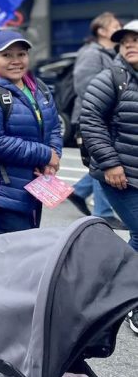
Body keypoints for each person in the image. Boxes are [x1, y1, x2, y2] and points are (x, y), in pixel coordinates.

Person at [0, 30, 63, 234]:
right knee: (15, 253)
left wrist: (52, 160)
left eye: (21, 54)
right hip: (2, 190)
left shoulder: (38, 87)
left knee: (29, 244)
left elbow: (53, 126)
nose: (16, 61)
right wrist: (45, 154)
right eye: (7, 55)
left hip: (33, 185)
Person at [81, 19, 138, 336]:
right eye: (125, 40)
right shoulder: (112, 78)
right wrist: (111, 163)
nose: (129, 44)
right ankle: (130, 302)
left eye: (135, 39)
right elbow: (90, 121)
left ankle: (113, 291)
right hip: (119, 175)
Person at [68, 12, 121, 222]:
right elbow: (84, 86)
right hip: (93, 117)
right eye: (115, 25)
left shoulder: (111, 53)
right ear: (101, 30)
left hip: (108, 117)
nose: (120, 28)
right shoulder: (91, 53)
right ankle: (104, 213)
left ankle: (79, 191)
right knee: (104, 159)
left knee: (104, 158)